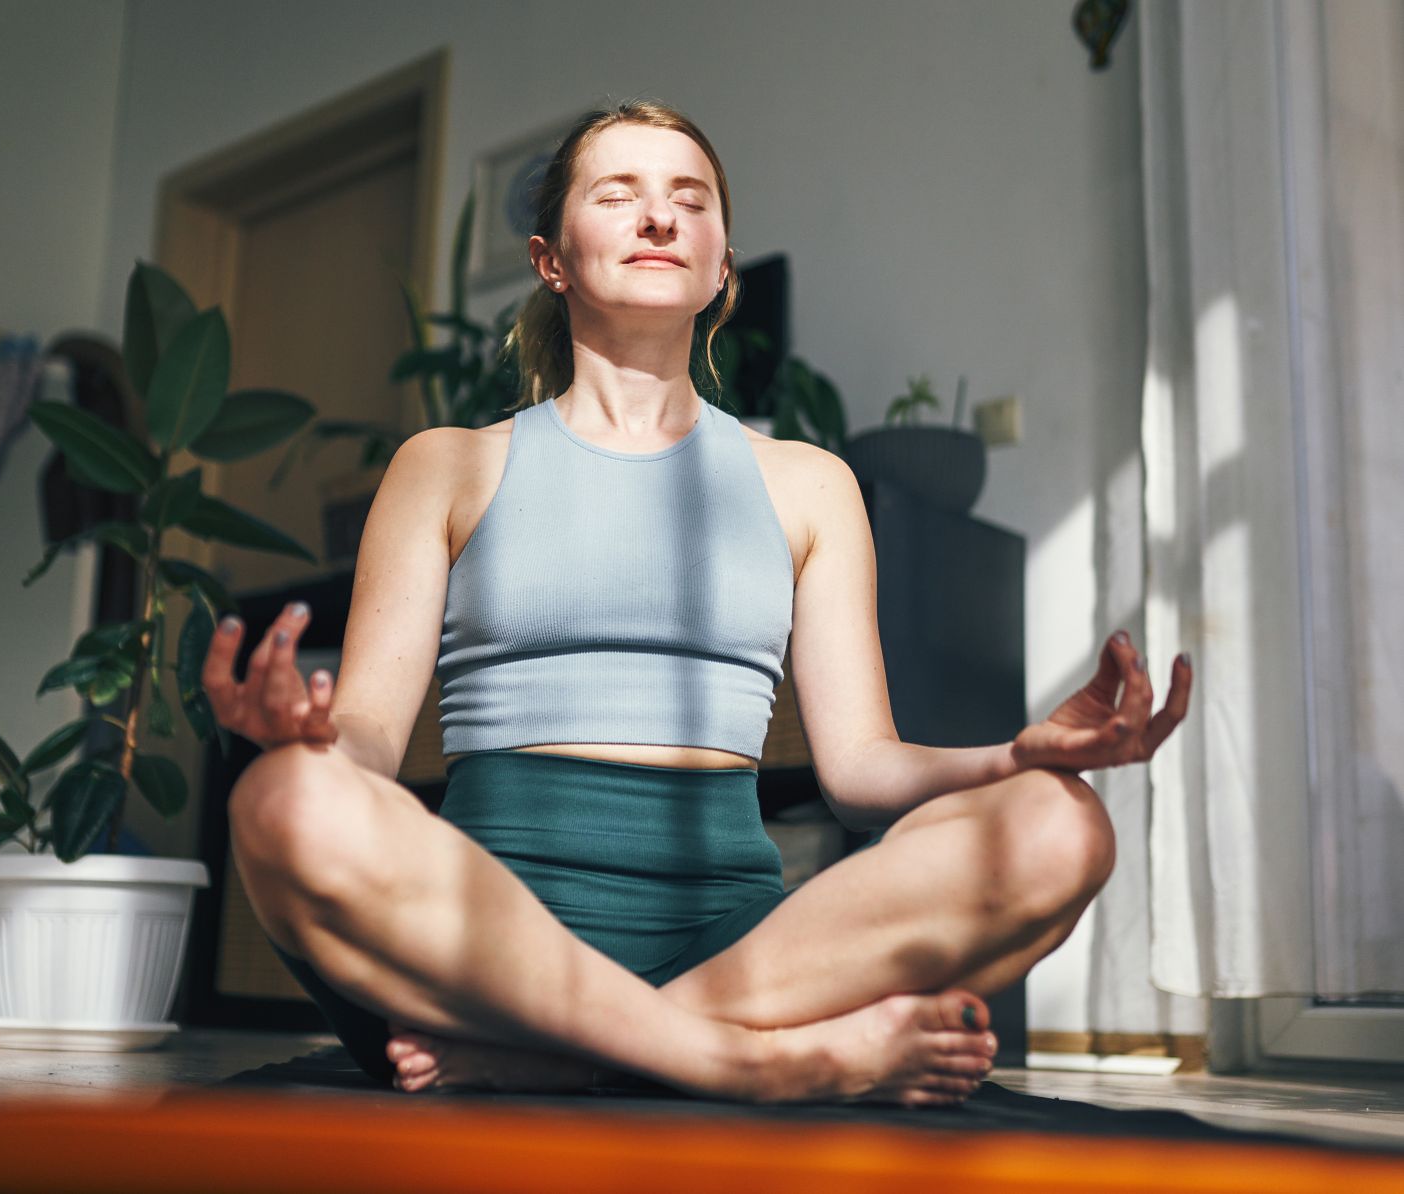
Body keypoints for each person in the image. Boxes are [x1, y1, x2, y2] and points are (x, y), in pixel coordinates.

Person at [203, 99, 1192, 1107]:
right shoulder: (444, 466)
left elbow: (861, 770)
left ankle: (580, 1054)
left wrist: (1017, 756)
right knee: (279, 800)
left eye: (690, 198)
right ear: (550, 260)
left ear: (721, 266)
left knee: (1063, 828)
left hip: (741, 948)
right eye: (617, 194)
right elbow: (368, 737)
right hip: (487, 942)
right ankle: (745, 1060)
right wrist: (306, 742)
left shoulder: (808, 484)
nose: (659, 217)